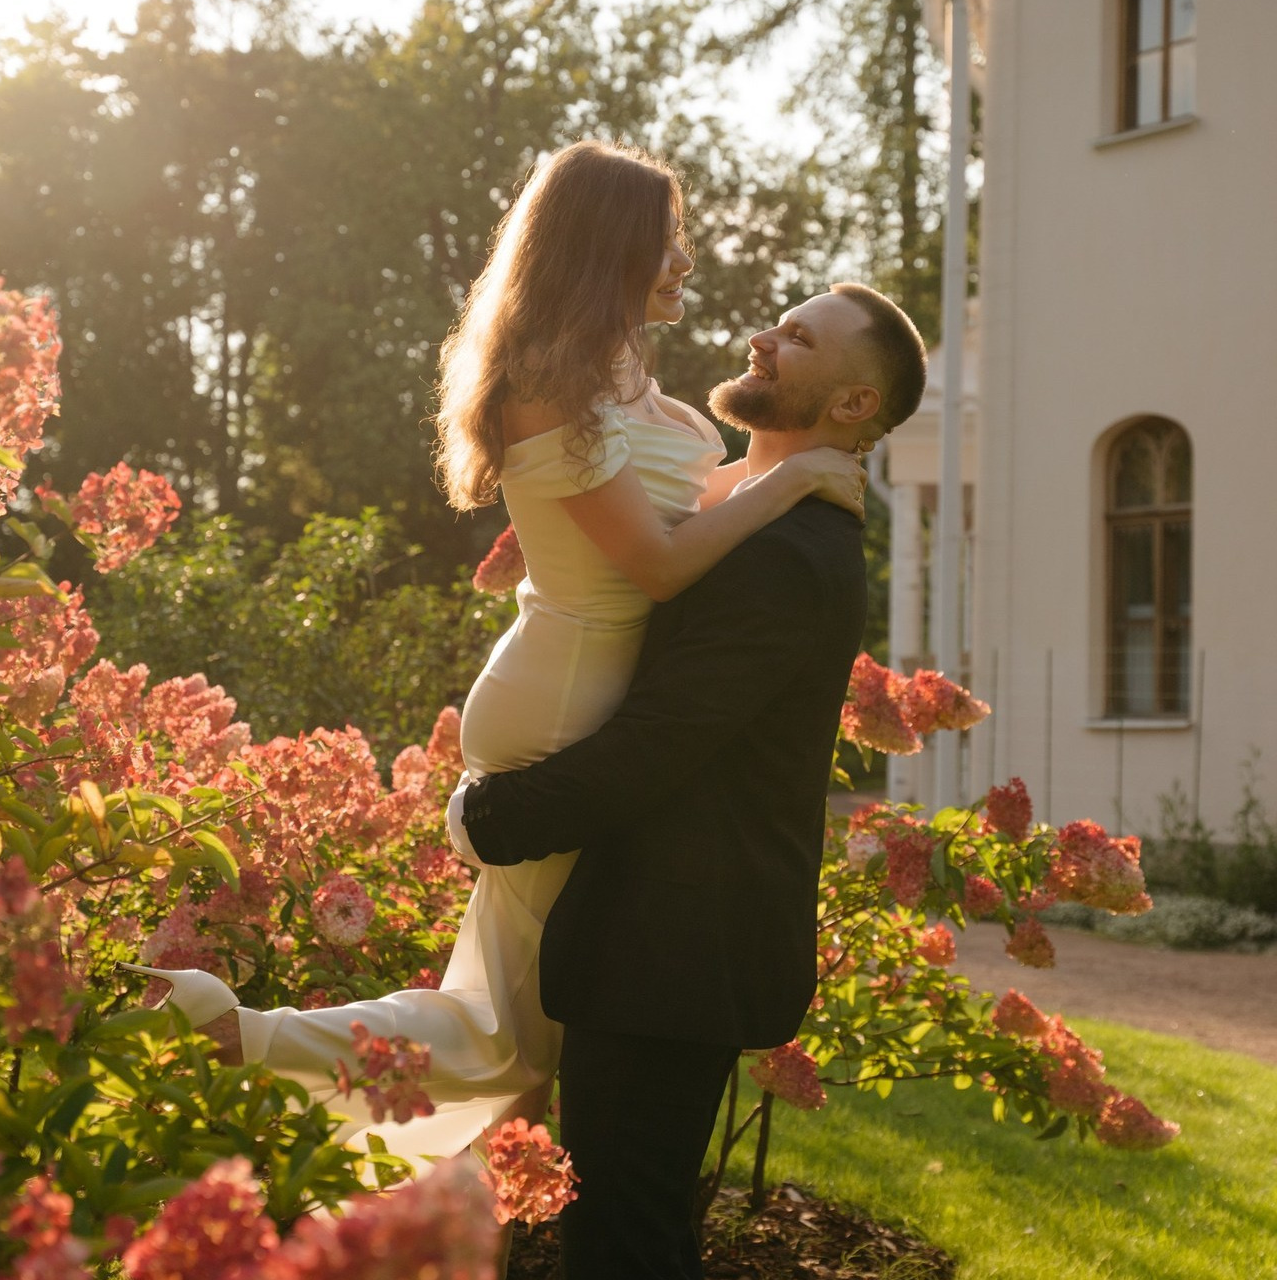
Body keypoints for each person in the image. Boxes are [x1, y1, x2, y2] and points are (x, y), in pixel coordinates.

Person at [119, 140, 868, 1167]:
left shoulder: (637, 389)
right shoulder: (542, 386)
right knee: (505, 1032)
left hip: (596, 683)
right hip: (565, 690)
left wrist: (781, 467)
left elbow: (693, 535)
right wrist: (797, 475)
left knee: (518, 1034)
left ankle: (262, 1065)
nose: (684, 260)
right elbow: (655, 566)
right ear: (609, 248)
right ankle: (242, 1049)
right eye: (667, 241)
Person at [447, 280, 928, 1279]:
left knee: (622, 1244)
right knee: (630, 1232)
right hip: (654, 942)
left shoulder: (792, 553)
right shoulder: (750, 520)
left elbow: (663, 739)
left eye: (795, 339)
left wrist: (489, 815)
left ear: (849, 405)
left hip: (675, 949)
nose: (762, 338)